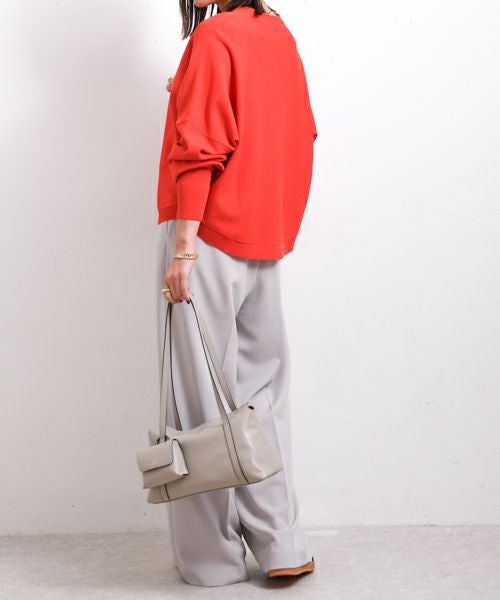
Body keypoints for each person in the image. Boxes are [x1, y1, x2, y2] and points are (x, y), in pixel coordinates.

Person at [155, 0, 318, 587]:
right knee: (262, 394)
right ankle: (281, 543)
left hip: (205, 236)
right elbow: (298, 132)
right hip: (262, 236)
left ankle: (212, 560)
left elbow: (200, 147)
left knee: (196, 403)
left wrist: (184, 248)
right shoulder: (277, 34)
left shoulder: (213, 38)